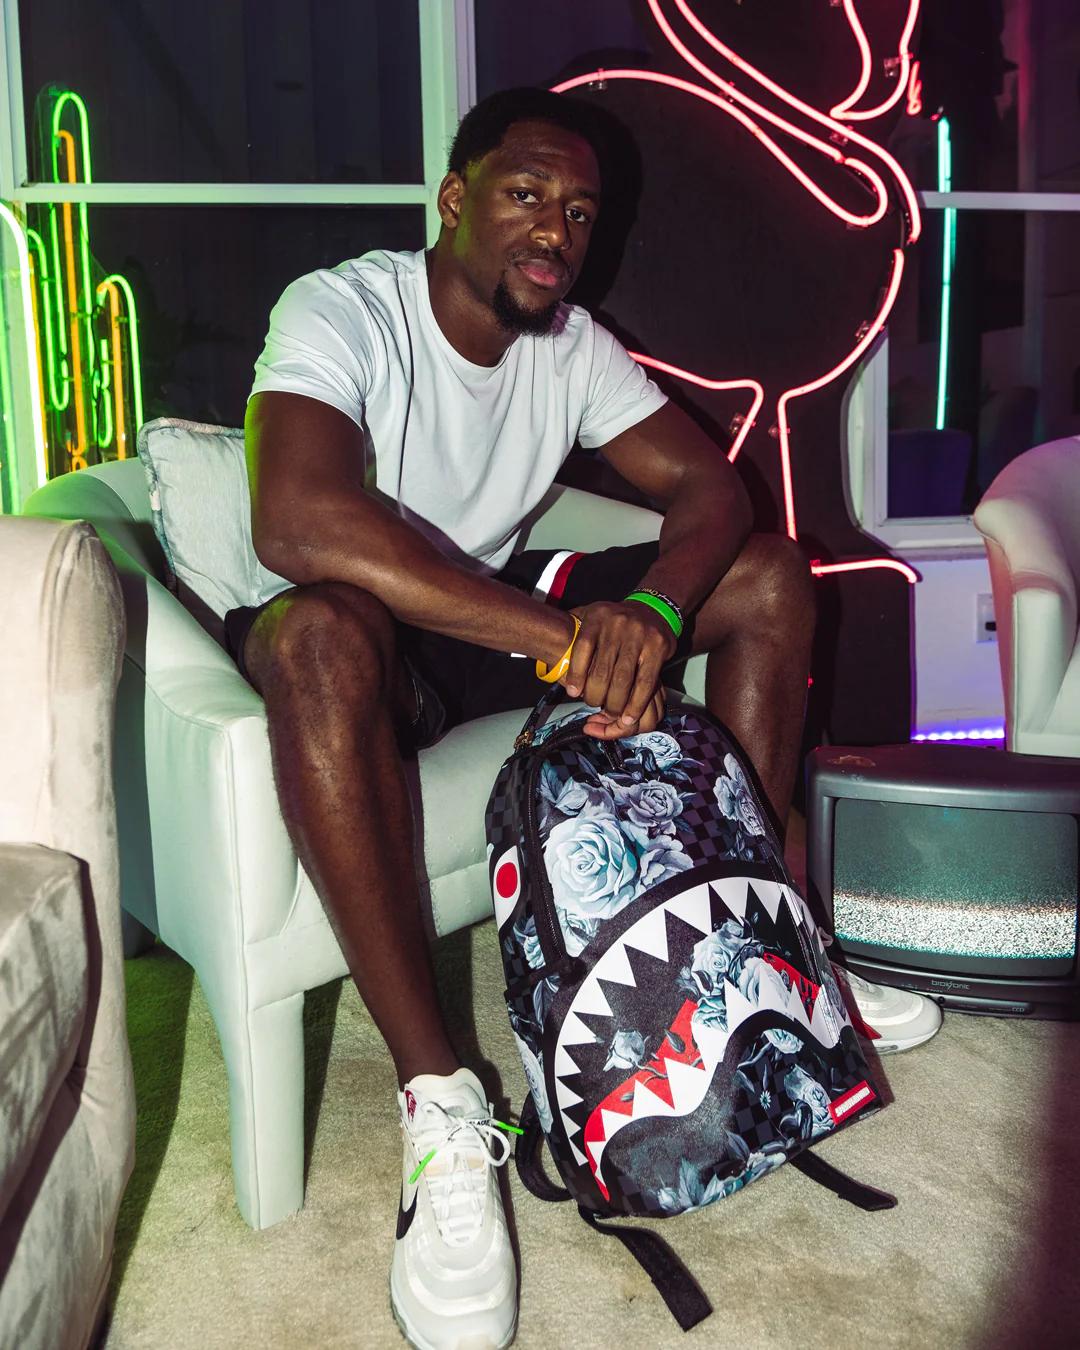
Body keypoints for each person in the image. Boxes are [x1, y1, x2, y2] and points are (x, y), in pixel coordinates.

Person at [230, 87, 941, 1350]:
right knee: (318, 633)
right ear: (455, 200)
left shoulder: (570, 344)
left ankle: (766, 934)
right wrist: (564, 638)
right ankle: (440, 1102)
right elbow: (295, 520)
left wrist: (654, 615)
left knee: (769, 575)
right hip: (363, 637)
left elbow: (711, 489)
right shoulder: (344, 309)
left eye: (577, 211)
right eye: (525, 195)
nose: (554, 229)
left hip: (491, 617)